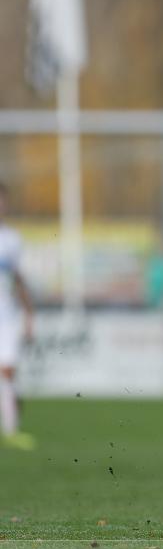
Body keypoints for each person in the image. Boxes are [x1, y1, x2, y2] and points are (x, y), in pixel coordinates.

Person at [0, 185, 36, 450]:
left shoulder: (11, 239)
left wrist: (28, 314)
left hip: (5, 315)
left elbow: (20, 280)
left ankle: (11, 432)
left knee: (7, 371)